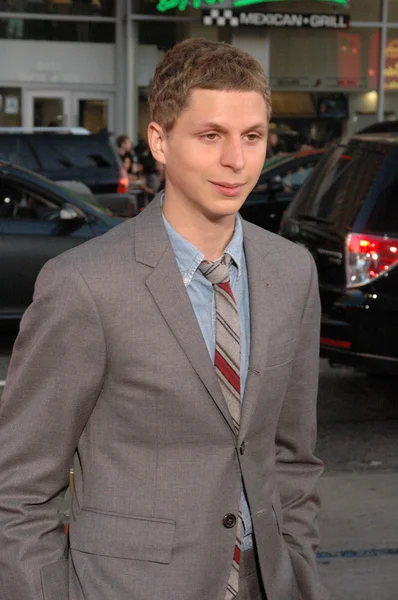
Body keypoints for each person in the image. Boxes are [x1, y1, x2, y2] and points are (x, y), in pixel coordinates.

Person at [0, 38, 329, 600]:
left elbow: (292, 454)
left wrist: (296, 562)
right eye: (210, 136)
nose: (236, 160)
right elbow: (20, 491)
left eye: (252, 136)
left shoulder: (292, 271)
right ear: (159, 140)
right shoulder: (85, 283)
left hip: (267, 581)